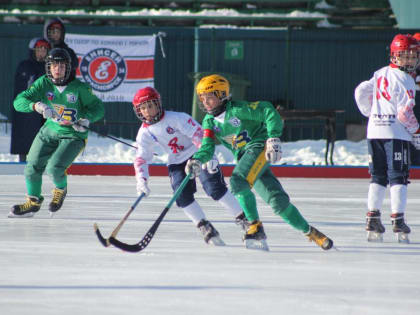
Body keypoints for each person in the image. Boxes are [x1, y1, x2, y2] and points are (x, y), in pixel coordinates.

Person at [185, 74, 333, 251]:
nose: (205, 102)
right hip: (246, 157)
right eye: (202, 97)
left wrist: (273, 137)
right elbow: (207, 147)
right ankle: (311, 233)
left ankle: (254, 227)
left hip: (259, 147)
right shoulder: (209, 121)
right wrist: (197, 159)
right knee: (278, 203)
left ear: (222, 95)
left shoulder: (237, 109)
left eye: (209, 97)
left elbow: (267, 110)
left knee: (238, 182)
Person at [131, 86, 247, 245]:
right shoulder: (144, 133)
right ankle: (204, 226)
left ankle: (244, 219)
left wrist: (207, 157)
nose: (148, 111)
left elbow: (199, 135)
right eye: (143, 108)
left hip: (198, 154)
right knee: (182, 196)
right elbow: (142, 159)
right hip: (176, 161)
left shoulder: (177, 118)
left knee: (214, 189)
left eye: (150, 106)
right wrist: (141, 181)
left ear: (158, 104)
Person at [9, 48, 104, 218]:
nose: (57, 69)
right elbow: (18, 102)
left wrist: (86, 119)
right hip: (50, 130)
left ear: (68, 67)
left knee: (54, 168)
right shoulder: (43, 83)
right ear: (48, 67)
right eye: (53, 65)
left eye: (61, 65)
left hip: (74, 135)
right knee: (31, 167)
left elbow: (99, 108)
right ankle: (33, 201)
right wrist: (36, 106)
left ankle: (61, 189)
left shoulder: (80, 88)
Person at [354, 34, 419, 243]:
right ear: (394, 56)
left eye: (412, 56)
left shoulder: (380, 72)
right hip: (395, 134)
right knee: (398, 176)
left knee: (378, 177)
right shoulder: (407, 79)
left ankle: (372, 217)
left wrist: (369, 112)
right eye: (404, 56)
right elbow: (404, 114)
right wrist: (417, 132)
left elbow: (361, 91)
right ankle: (398, 220)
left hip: (374, 132)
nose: (409, 60)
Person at [10, 37, 51, 162]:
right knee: (25, 144)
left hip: (45, 112)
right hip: (26, 113)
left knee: (44, 144)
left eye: (45, 49)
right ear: (33, 50)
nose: (42, 52)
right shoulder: (24, 66)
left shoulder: (51, 67)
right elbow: (23, 89)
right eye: (39, 49)